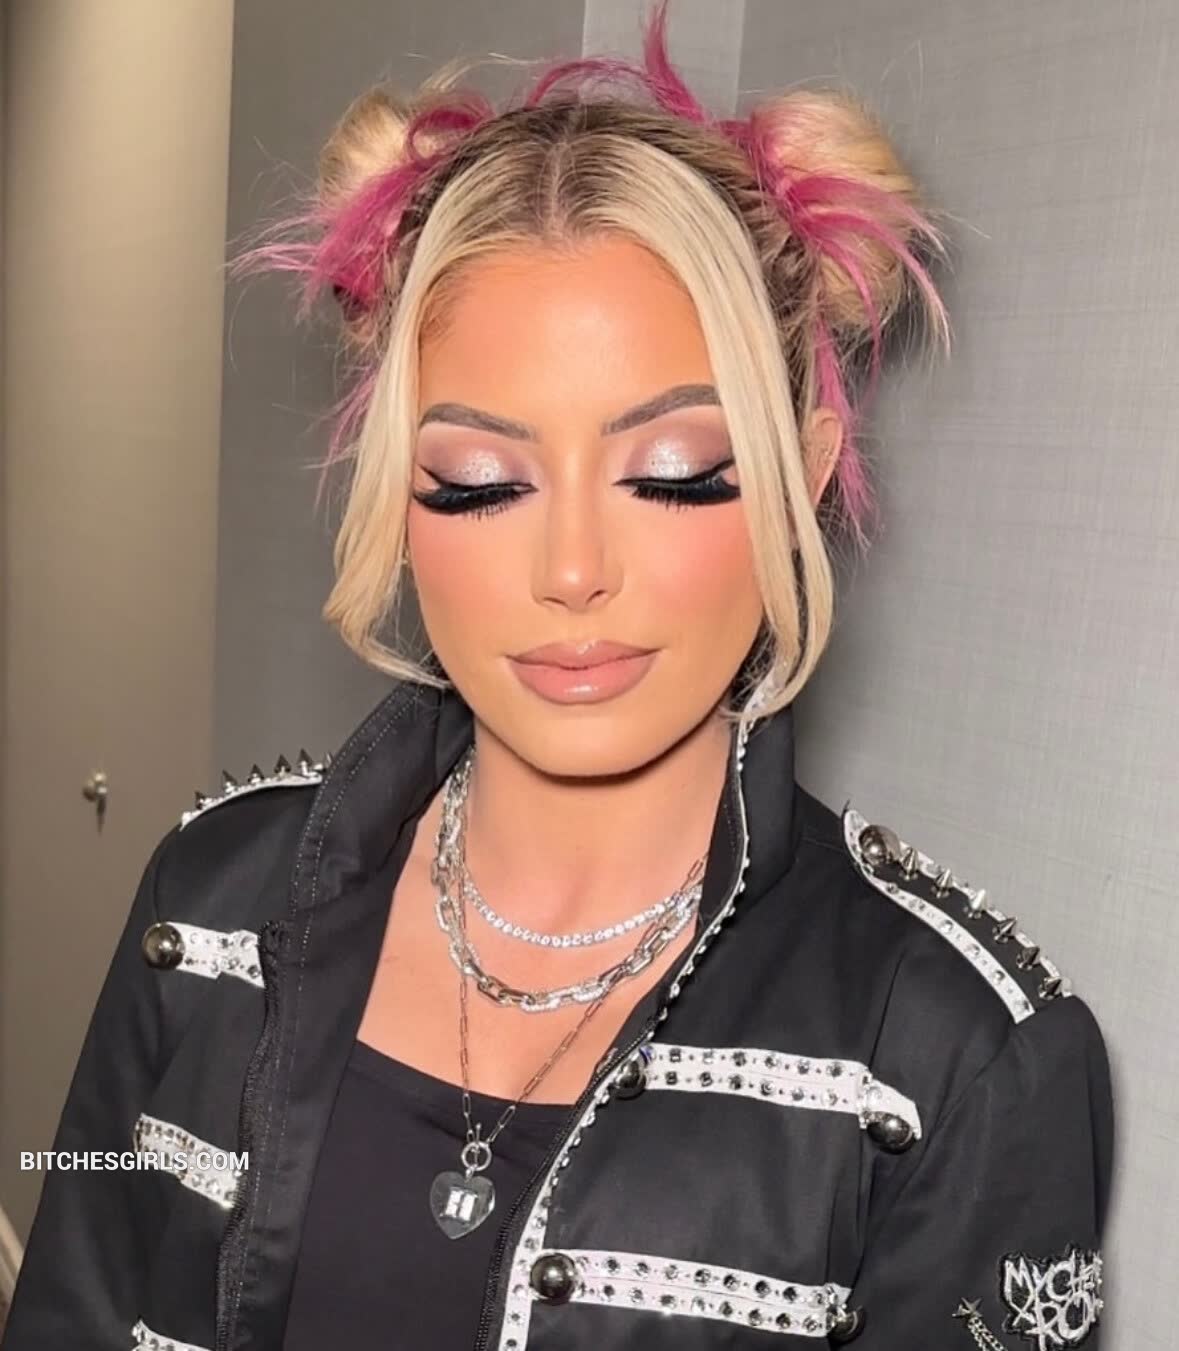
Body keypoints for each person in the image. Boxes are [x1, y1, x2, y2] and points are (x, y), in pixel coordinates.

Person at [1, 4, 1113, 1349]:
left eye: (673, 474)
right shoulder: (207, 897)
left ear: (805, 475)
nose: (573, 570)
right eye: (480, 481)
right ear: (396, 494)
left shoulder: (958, 1054)